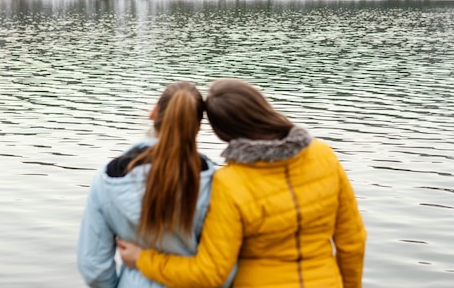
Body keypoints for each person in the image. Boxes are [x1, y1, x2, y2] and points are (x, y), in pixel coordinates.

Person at [117, 78, 367, 288]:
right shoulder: (323, 154)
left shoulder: (229, 183)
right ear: (263, 106)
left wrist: (143, 260)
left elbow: (210, 273)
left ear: (222, 133)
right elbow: (353, 241)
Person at [77, 81, 235, 288]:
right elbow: (226, 269)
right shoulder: (217, 181)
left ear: (154, 112)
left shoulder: (108, 177)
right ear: (197, 127)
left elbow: (94, 267)